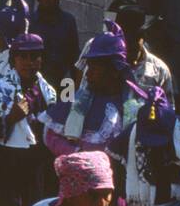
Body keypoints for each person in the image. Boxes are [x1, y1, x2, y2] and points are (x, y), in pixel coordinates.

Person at [0, 30, 56, 206]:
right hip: (3, 167)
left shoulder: (47, 92)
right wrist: (10, 118)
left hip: (34, 168)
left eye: (34, 57)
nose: (29, 62)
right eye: (23, 57)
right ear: (14, 60)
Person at [42, 25, 146, 170]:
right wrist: (78, 155)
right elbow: (49, 135)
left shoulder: (133, 107)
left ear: (115, 71)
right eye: (88, 67)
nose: (88, 74)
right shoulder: (78, 101)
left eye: (95, 68)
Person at [29, 0, 80, 84]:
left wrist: (75, 87)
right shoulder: (31, 22)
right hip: (36, 83)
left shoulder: (68, 21)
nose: (48, 0)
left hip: (63, 82)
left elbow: (74, 56)